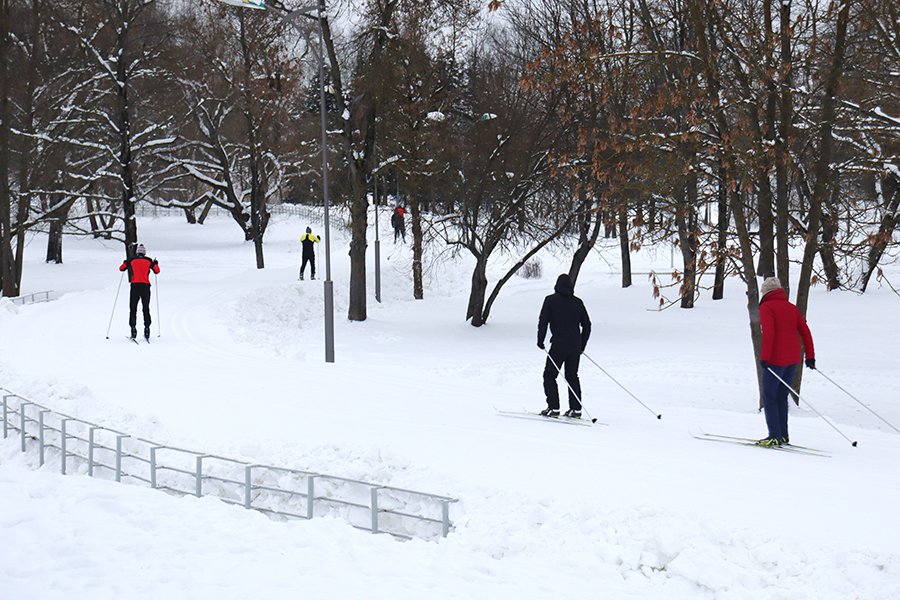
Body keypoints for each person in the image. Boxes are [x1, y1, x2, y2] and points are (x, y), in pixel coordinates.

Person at [757, 276, 816, 446]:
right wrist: (810, 357)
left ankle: (774, 435)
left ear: (765, 291)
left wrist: (765, 357)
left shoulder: (767, 307)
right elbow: (805, 331)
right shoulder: (791, 308)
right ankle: (783, 435)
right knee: (781, 396)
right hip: (793, 360)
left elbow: (769, 333)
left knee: (769, 396)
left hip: (775, 360)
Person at [537, 273, 592, 418]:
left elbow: (543, 321)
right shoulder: (578, 302)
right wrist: (581, 345)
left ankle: (553, 407)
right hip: (575, 346)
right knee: (572, 376)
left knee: (549, 375)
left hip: (558, 345)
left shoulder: (550, 300)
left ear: (557, 285)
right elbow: (587, 325)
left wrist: (540, 340)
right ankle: (576, 409)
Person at [118, 243, 160, 340]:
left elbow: (121, 268)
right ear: (144, 253)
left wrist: (125, 262)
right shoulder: (149, 260)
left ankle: (133, 329)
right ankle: (147, 328)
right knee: (146, 308)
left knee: (133, 309)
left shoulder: (132, 260)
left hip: (135, 286)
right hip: (145, 286)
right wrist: (156, 263)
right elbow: (157, 271)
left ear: (137, 253)